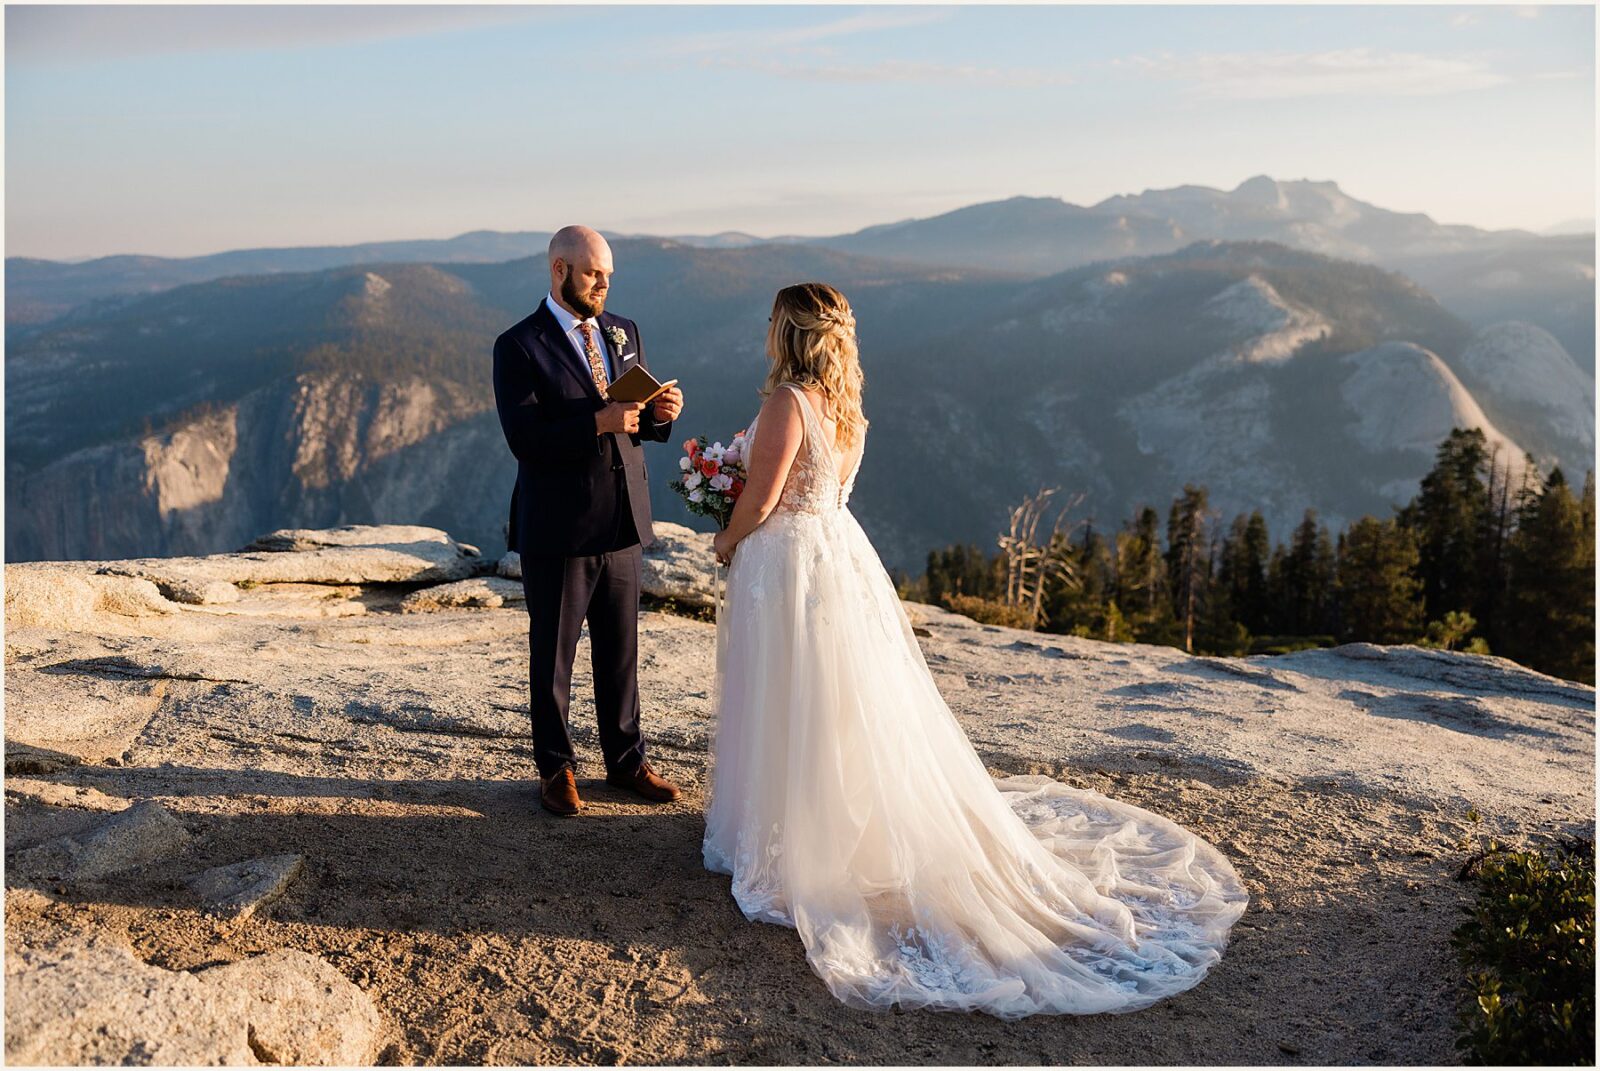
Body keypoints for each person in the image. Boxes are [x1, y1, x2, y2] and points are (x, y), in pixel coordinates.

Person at [701, 281, 1248, 1017]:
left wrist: (725, 536)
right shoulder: (846, 406)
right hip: (837, 554)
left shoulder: (786, 402)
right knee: (836, 700)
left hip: (790, 561)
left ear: (787, 331)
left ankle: (788, 841)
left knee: (786, 693)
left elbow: (765, 498)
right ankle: (830, 829)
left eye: (773, 320)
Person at [492, 225, 686, 817]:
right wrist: (597, 422)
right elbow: (524, 439)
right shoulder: (518, 345)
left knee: (621, 652)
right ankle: (555, 770)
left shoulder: (623, 330)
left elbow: (634, 421)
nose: (603, 284)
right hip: (559, 526)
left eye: (608, 275)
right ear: (559, 271)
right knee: (554, 655)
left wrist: (659, 416)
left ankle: (626, 763)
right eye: (593, 274)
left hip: (623, 518)